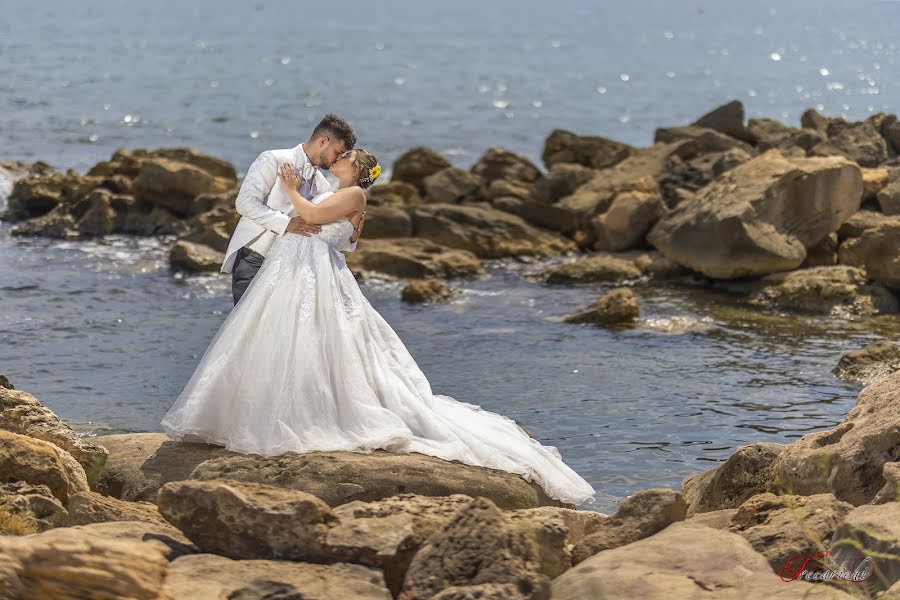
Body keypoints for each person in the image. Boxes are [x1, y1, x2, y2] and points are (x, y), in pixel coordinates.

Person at [160, 149, 596, 506]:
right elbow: (324, 226)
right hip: (293, 272)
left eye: (346, 156)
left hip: (311, 276)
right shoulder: (340, 192)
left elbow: (310, 213)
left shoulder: (353, 197)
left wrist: (292, 190)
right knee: (277, 343)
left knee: (315, 344)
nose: (339, 158)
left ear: (359, 170)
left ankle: (306, 413)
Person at [221, 113, 357, 305]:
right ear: (323, 141)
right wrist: (287, 224)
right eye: (338, 151)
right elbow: (244, 203)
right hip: (254, 259)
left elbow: (326, 229)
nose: (337, 159)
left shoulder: (322, 185)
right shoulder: (272, 159)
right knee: (249, 332)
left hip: (290, 269)